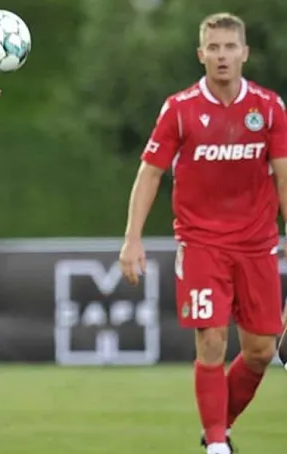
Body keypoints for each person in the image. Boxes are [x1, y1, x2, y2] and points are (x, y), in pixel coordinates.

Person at [118, 13, 287, 454]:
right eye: (214, 48)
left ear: (245, 53)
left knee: (260, 351)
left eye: (230, 47)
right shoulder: (180, 109)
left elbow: (284, 177)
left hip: (257, 244)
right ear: (201, 55)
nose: (222, 56)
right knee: (211, 339)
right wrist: (132, 238)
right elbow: (150, 174)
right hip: (201, 243)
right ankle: (216, 445)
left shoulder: (269, 108)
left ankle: (217, 423)